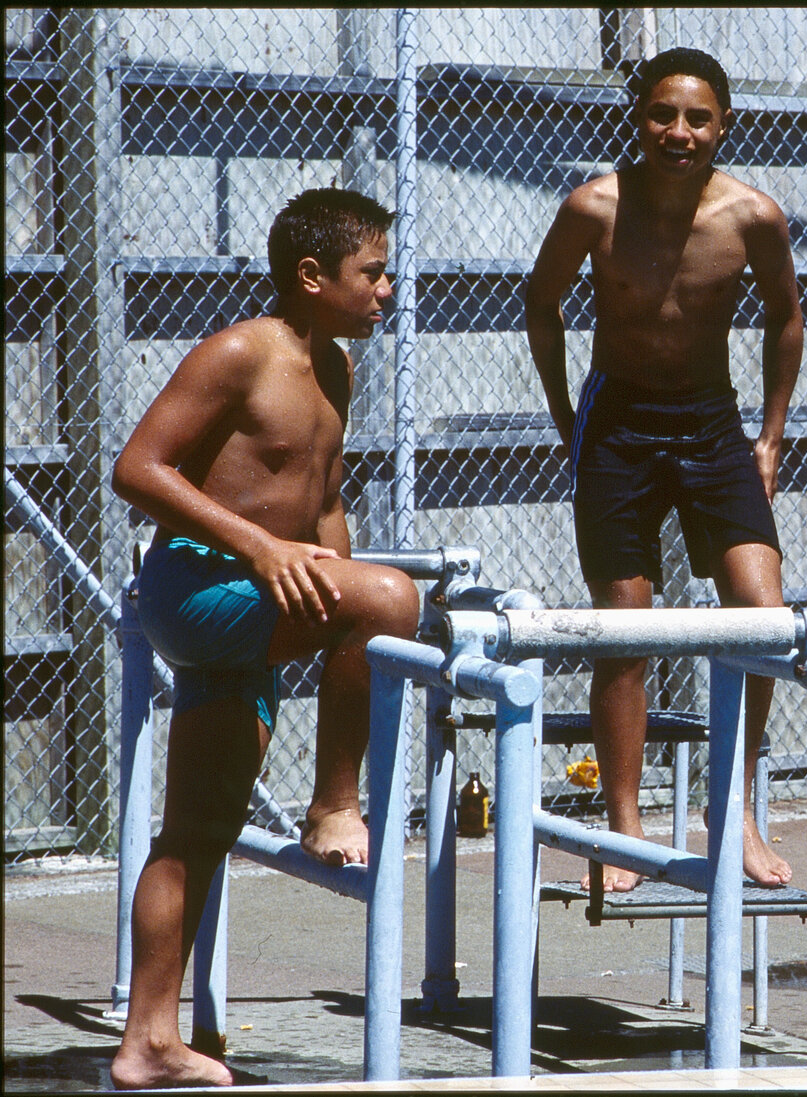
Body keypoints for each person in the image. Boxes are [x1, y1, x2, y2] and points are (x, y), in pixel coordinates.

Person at [108, 187, 420, 1089]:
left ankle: (147, 1042)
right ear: (313, 276)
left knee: (195, 831)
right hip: (200, 584)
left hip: (254, 605)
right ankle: (334, 801)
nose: (387, 289)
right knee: (393, 600)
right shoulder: (242, 351)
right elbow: (137, 467)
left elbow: (323, 505)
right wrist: (266, 549)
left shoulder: (337, 370)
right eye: (373, 273)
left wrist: (337, 588)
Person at [525, 47, 803, 892]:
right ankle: (623, 820)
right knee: (626, 624)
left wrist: (770, 434)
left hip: (713, 426)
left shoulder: (753, 215)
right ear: (637, 118)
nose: (678, 132)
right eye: (662, 115)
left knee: (762, 613)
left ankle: (736, 808)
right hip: (619, 426)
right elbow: (541, 301)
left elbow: (786, 319)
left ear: (724, 126)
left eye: (697, 118)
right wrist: (566, 414)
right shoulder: (595, 206)